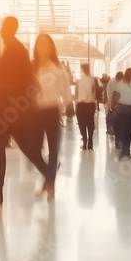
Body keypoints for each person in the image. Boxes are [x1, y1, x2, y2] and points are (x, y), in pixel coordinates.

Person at [0, 16, 51, 205]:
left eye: (5, 27)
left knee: (0, 148)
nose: (1, 30)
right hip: (10, 110)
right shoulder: (12, 49)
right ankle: (49, 173)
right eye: (2, 26)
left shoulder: (16, 50)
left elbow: (18, 82)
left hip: (9, 110)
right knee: (25, 148)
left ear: (12, 29)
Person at [33, 35, 72, 198]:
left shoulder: (58, 70)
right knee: (34, 149)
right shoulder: (31, 68)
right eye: (39, 44)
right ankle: (49, 175)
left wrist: (61, 106)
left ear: (51, 48)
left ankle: (50, 184)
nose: (42, 48)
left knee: (53, 149)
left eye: (46, 44)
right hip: (35, 113)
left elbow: (67, 95)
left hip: (52, 111)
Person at [111, 68, 131, 159]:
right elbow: (118, 96)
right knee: (126, 131)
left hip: (126, 109)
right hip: (127, 109)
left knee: (127, 131)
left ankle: (125, 151)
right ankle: (124, 151)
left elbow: (117, 96)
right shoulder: (130, 84)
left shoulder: (126, 84)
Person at [75, 64, 97, 150]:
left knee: (82, 123)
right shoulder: (93, 80)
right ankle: (90, 142)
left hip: (81, 104)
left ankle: (84, 141)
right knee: (90, 122)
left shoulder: (78, 81)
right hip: (90, 104)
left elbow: (76, 94)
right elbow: (96, 93)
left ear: (82, 70)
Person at [106, 71, 122, 137]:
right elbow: (108, 91)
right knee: (110, 115)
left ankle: (113, 129)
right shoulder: (112, 82)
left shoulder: (121, 82)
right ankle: (109, 129)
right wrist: (110, 100)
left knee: (115, 116)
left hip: (119, 101)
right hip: (113, 101)